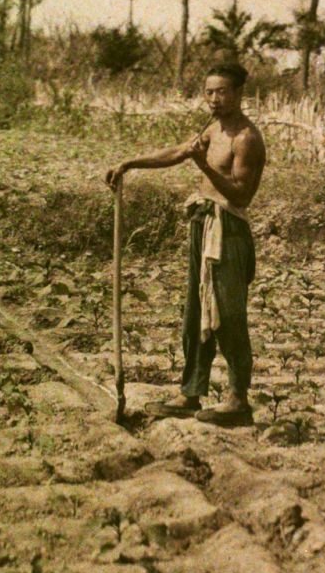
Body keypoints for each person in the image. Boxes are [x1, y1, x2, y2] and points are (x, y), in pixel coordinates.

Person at [103, 62, 267, 426]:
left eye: (222, 92)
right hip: (202, 224)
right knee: (195, 314)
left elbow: (242, 195)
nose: (213, 99)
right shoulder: (212, 128)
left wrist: (204, 168)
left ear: (239, 94)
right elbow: (178, 152)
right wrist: (129, 163)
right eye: (208, 92)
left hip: (228, 230)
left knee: (228, 318)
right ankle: (191, 392)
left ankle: (238, 400)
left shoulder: (246, 139)